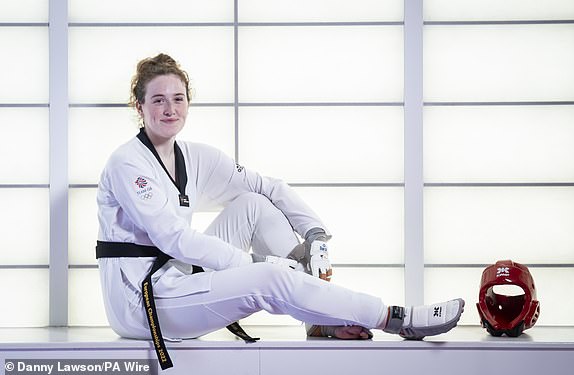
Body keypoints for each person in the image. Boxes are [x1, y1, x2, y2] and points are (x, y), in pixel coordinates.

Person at [96, 53, 464, 370]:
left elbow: (267, 187)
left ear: (188, 103)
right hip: (142, 301)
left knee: (253, 206)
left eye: (178, 98)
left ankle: (321, 323)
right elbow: (171, 237)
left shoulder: (193, 156)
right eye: (158, 100)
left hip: (177, 276)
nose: (170, 109)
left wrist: (314, 234)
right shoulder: (128, 163)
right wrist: (256, 262)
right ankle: (394, 318)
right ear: (139, 107)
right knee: (268, 280)